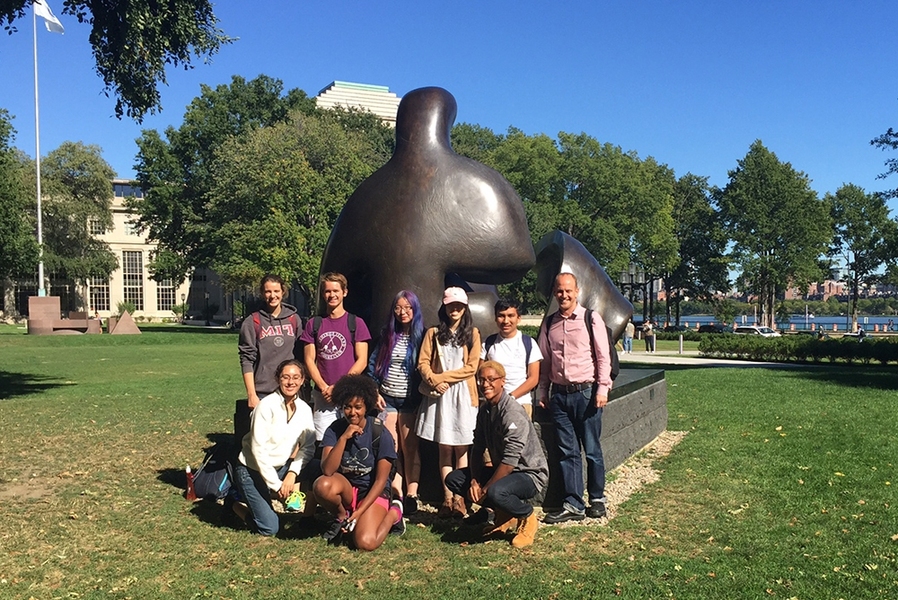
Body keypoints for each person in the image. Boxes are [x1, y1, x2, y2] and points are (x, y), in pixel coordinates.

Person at [445, 361, 549, 548]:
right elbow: (477, 448)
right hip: (503, 473)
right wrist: (475, 481)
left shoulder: (512, 412)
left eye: (491, 379)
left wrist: (485, 489)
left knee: (495, 491)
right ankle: (504, 515)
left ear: (502, 381)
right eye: (482, 380)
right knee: (454, 479)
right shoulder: (485, 409)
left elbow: (510, 461)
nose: (485, 384)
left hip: (528, 473)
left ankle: (527, 516)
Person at [537, 272, 612, 523]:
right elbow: (546, 362)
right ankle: (573, 503)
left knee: (591, 449)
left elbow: (603, 357)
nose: (564, 295)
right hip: (559, 396)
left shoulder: (591, 319)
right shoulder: (549, 324)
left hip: (587, 394)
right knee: (567, 452)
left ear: (577, 291)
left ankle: (598, 499)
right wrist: (542, 391)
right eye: (559, 291)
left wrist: (603, 388)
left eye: (568, 290)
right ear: (555, 293)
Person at [314, 375, 402, 550]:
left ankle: (394, 513)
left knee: (365, 543)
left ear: (367, 407)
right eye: (347, 407)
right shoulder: (335, 429)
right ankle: (341, 517)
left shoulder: (380, 433)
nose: (352, 412)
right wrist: (344, 438)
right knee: (322, 485)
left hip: (372, 491)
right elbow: (328, 470)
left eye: (358, 407)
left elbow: (381, 481)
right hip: (347, 488)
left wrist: (359, 513)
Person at [417, 286, 481, 518]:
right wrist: (433, 380)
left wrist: (441, 378)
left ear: (465, 308)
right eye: (451, 305)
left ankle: (461, 498)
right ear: (444, 306)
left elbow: (472, 367)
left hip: (463, 394)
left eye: (459, 305)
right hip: (440, 396)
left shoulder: (473, 334)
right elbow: (423, 362)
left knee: (462, 448)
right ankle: (447, 498)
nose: (455, 309)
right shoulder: (433, 333)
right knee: (444, 448)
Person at [232, 359, 316, 536]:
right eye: (285, 377)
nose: (290, 382)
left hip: (281, 468)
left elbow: (308, 447)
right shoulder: (266, 406)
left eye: (295, 377)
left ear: (302, 380)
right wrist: (277, 486)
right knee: (269, 528)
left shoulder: (304, 409)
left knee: (316, 467)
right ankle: (233, 503)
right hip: (251, 469)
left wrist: (292, 474)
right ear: (278, 379)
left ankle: (309, 516)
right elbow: (258, 450)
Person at [368, 290, 425, 515]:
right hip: (387, 397)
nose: (403, 312)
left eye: (407, 308)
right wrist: (374, 390)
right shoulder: (386, 335)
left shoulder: (423, 336)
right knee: (391, 446)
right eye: (399, 308)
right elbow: (373, 365)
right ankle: (395, 489)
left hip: (410, 399)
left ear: (415, 310)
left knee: (410, 447)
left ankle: (412, 493)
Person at [301, 272, 371, 441]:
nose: (332, 295)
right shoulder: (314, 324)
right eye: (327, 291)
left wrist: (339, 387)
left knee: (352, 439)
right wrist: (324, 387)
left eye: (335, 291)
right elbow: (309, 360)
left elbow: (362, 360)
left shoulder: (356, 323)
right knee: (324, 441)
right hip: (323, 395)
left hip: (349, 394)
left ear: (344, 292)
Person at [237, 274, 301, 442]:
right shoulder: (253, 322)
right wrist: (251, 394)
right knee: (263, 441)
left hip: (290, 390)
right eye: (268, 292)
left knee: (289, 439)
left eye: (276, 291)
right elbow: (246, 359)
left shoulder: (294, 319)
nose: (272, 296)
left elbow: (301, 356)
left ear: (283, 292)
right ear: (262, 293)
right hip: (263, 392)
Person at [480, 299, 543, 418]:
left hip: (520, 403)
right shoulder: (488, 343)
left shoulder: (529, 343)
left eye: (510, 316)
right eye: (501, 316)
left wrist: (510, 397)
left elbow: (533, 378)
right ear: (495, 318)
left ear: (518, 318)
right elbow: (480, 373)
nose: (506, 321)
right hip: (493, 405)